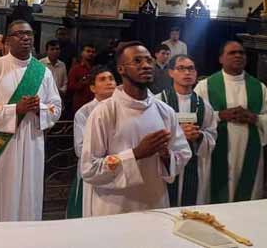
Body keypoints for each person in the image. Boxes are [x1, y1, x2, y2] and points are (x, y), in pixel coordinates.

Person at [81, 41, 191, 217]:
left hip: (155, 202)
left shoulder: (165, 111)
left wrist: (165, 155)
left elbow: (183, 154)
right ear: (121, 69)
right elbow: (90, 169)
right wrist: (136, 154)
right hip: (114, 208)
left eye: (149, 60)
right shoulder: (104, 112)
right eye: (137, 61)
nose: (146, 65)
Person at [0, 20, 62, 221]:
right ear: (7, 40)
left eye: (29, 34)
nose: (25, 38)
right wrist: (15, 110)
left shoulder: (43, 72)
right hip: (2, 147)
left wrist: (39, 109)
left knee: (29, 196)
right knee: (3, 197)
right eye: (19, 34)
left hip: (33, 145)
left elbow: (56, 108)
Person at [195, 41, 267, 202]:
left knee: (247, 196)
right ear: (221, 59)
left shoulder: (259, 87)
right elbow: (195, 117)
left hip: (250, 149)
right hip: (217, 150)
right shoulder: (205, 86)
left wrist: (255, 118)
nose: (238, 55)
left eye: (242, 53)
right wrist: (220, 116)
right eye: (232, 53)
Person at [158, 55, 217, 206]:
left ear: (196, 73)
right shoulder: (158, 102)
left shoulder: (204, 106)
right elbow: (148, 133)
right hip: (165, 165)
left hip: (194, 166)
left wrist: (199, 136)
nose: (187, 73)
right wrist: (178, 135)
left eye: (191, 69)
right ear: (171, 72)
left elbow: (212, 135)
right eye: (181, 68)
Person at [66, 66, 116, 218]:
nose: (109, 82)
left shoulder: (122, 109)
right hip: (94, 169)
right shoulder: (84, 112)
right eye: (103, 79)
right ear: (93, 88)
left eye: (111, 79)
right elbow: (80, 148)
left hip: (118, 169)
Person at [67, 44, 97, 115]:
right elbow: (70, 87)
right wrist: (82, 83)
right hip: (80, 105)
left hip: (95, 105)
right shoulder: (75, 69)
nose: (91, 54)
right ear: (82, 53)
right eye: (88, 51)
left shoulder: (97, 69)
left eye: (93, 52)